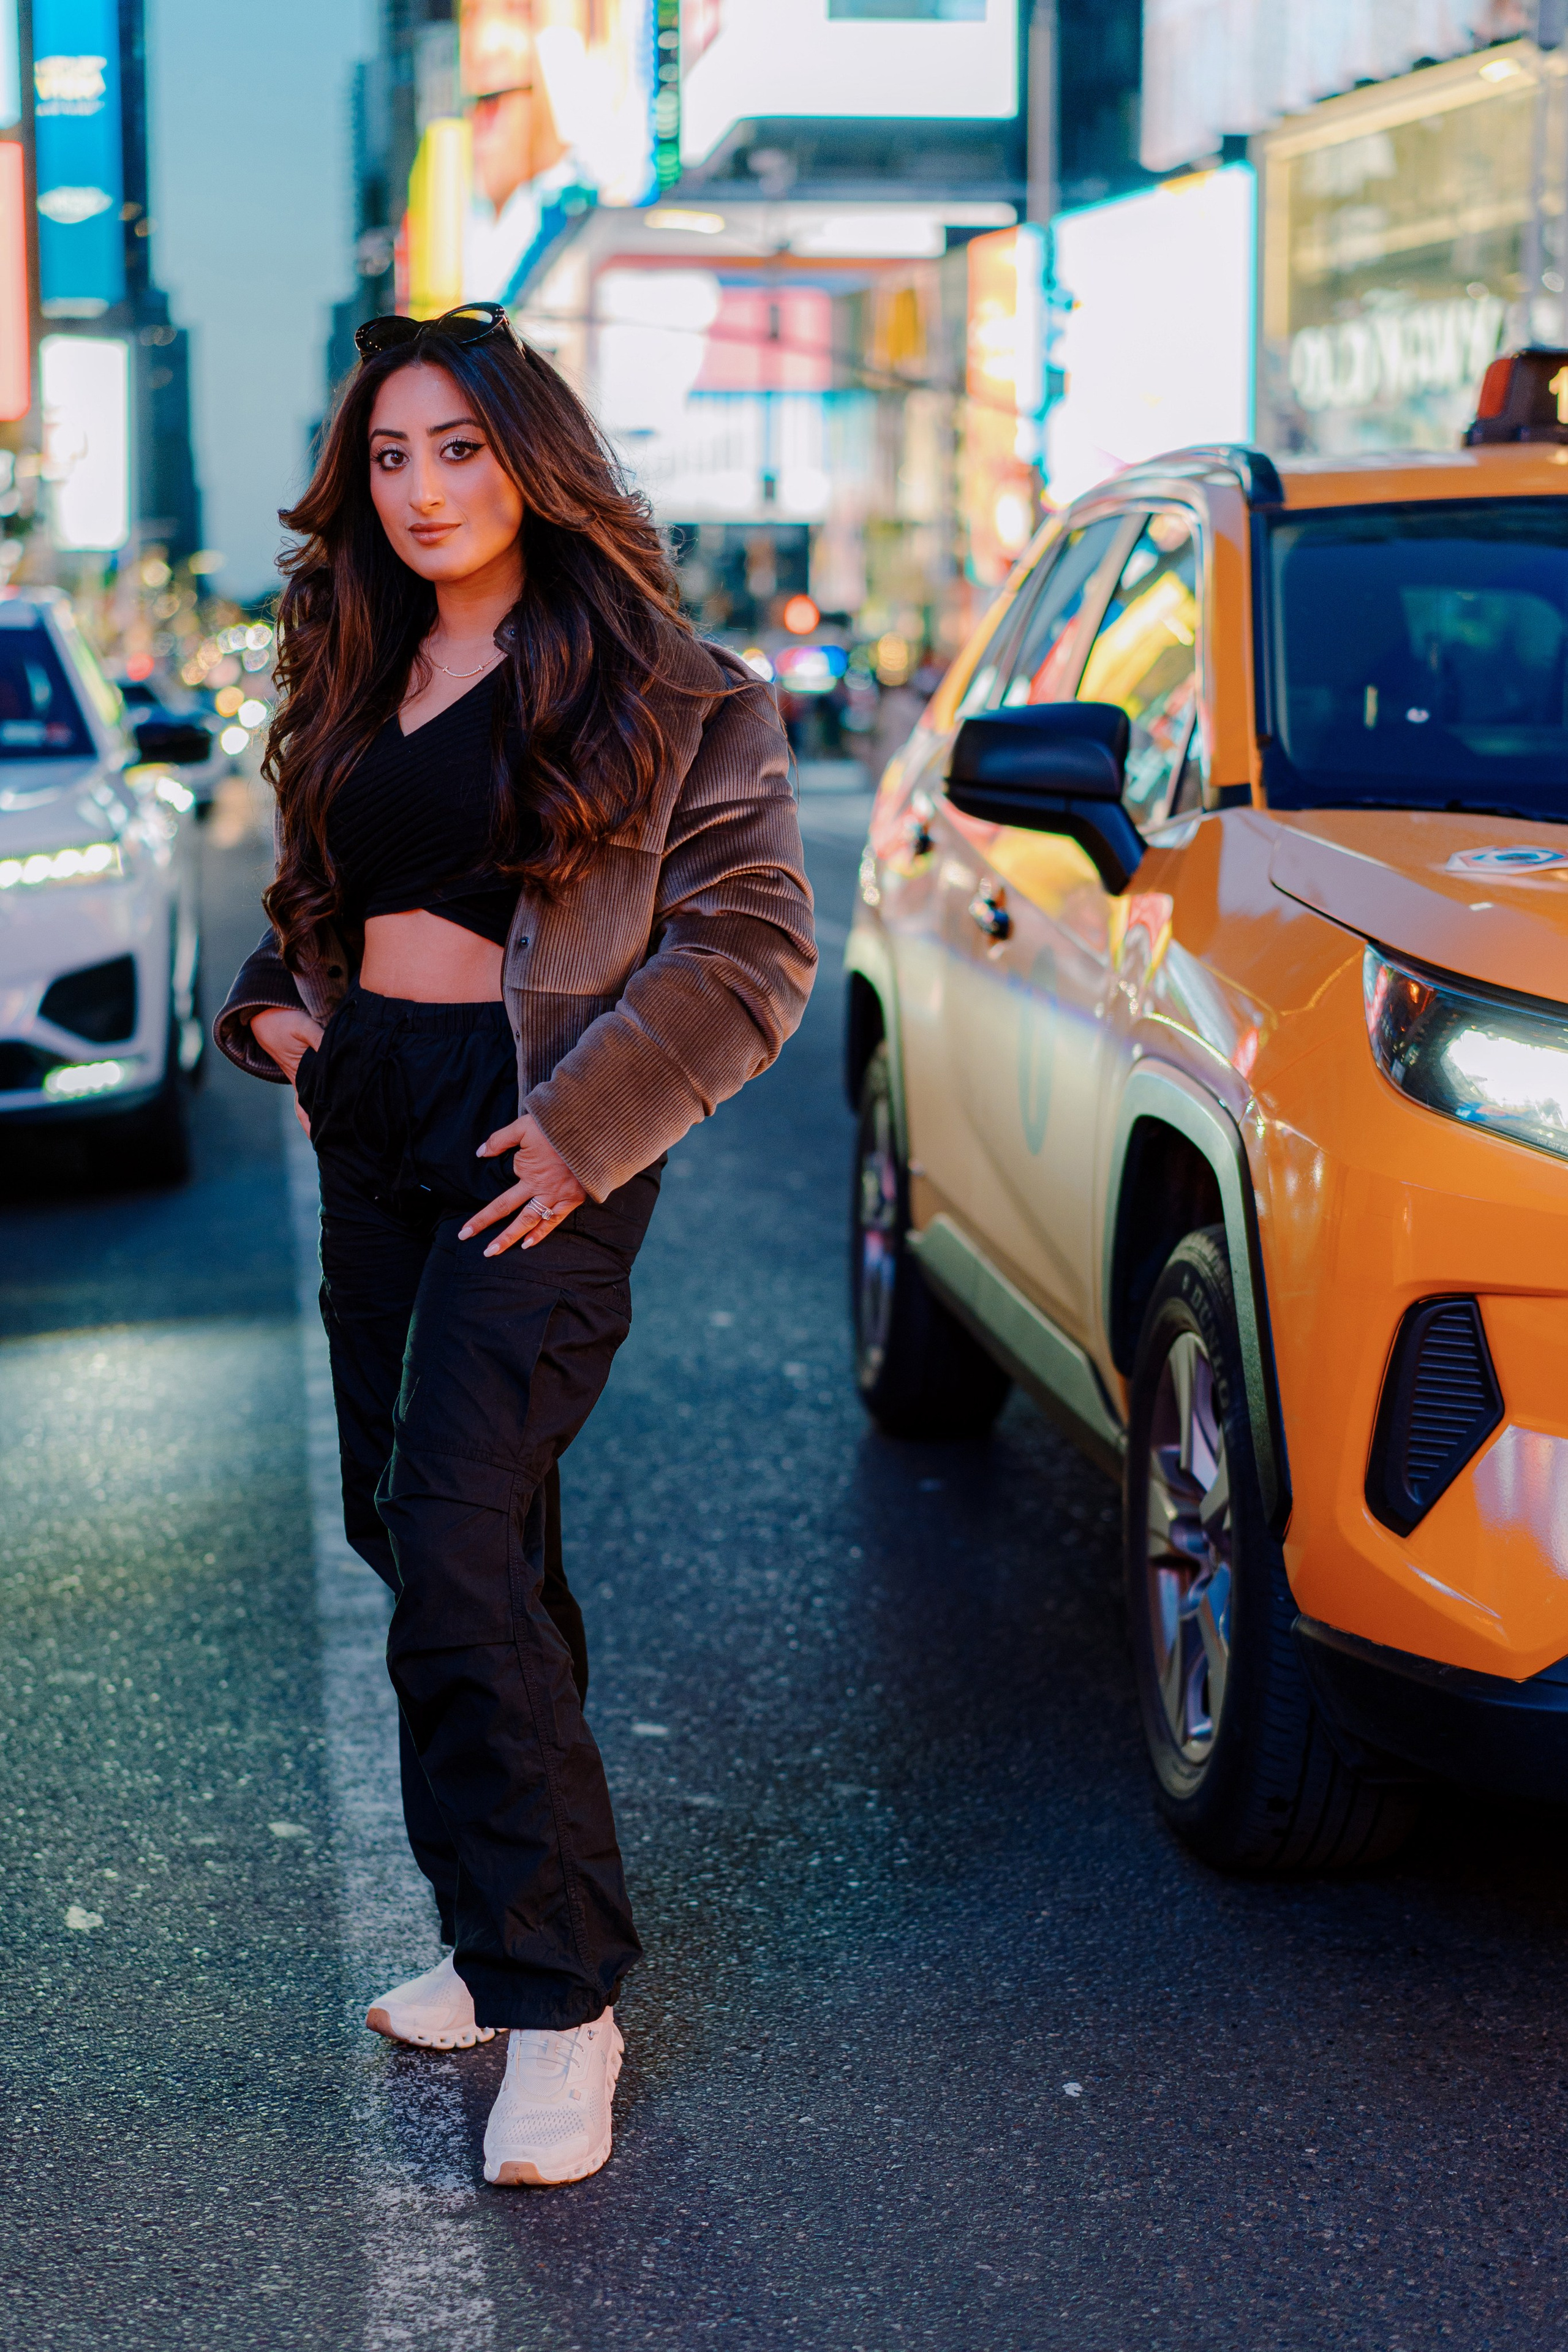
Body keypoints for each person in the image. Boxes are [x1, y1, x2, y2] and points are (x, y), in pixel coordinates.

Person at [214, 301, 815, 2187]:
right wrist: (286, 1023)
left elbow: (751, 950)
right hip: (376, 1109)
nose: (419, 489)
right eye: (388, 456)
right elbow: (314, 890)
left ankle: (563, 2009)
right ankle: (491, 1943)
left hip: (540, 1128)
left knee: (461, 1528)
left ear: (530, 456)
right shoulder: (348, 661)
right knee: (419, 1531)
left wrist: (587, 1127)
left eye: (456, 448)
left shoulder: (668, 688)